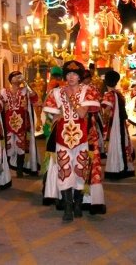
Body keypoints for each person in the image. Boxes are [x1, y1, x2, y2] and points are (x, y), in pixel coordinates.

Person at [42, 60, 104, 221]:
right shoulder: (56, 92)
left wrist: (68, 103)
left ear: (80, 76)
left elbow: (83, 113)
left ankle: (78, 203)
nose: (71, 77)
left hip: (83, 136)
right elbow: (52, 114)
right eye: (68, 74)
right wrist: (59, 115)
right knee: (64, 170)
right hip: (62, 136)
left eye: (75, 74)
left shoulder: (88, 90)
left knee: (80, 169)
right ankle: (68, 207)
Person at [66, 0, 123, 64]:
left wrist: (108, 17)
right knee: (82, 64)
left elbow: (114, 18)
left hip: (101, 37)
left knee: (101, 64)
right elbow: (72, 17)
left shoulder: (106, 0)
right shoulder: (77, 2)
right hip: (83, 37)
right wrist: (68, 20)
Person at [0, 71, 40, 177]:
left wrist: (25, 82)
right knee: (8, 146)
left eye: (19, 76)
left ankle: (20, 169)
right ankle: (6, 168)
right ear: (10, 79)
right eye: (14, 76)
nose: (17, 78)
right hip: (7, 123)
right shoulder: (4, 91)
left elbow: (34, 97)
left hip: (22, 123)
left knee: (21, 146)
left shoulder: (25, 90)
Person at [101, 70, 135, 179]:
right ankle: (124, 167)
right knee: (122, 143)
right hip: (121, 124)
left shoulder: (109, 95)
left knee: (114, 145)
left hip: (114, 125)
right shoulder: (119, 94)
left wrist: (103, 121)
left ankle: (115, 168)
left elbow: (106, 111)